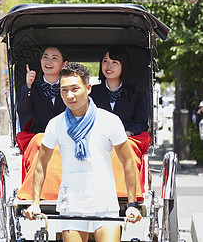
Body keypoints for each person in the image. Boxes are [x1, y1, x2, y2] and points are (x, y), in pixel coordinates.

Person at [24, 62, 141, 241]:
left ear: (88, 88)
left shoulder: (109, 120)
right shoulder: (56, 124)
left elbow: (128, 162)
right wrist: (35, 202)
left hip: (104, 200)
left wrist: (132, 204)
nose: (69, 95)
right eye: (64, 90)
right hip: (71, 202)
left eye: (75, 88)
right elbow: (41, 164)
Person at [17, 46, 68, 179]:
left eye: (54, 58)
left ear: (64, 64)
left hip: (66, 134)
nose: (48, 61)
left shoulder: (69, 87)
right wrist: (28, 85)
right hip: (40, 135)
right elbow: (23, 111)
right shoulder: (33, 87)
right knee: (39, 142)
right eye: (45, 57)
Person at [90, 45, 149, 138]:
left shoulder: (137, 93)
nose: (109, 66)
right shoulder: (92, 92)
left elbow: (142, 124)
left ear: (124, 65)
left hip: (127, 141)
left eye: (114, 62)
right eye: (105, 61)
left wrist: (128, 133)